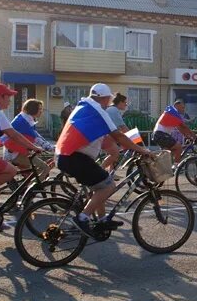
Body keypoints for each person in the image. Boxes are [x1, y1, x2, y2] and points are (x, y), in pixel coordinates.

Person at [55, 83, 151, 237]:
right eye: (109, 99)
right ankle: (82, 217)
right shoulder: (98, 111)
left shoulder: (86, 106)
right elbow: (118, 135)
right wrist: (141, 150)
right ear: (105, 98)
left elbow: (104, 138)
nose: (109, 102)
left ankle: (102, 220)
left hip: (67, 155)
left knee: (100, 186)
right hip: (74, 157)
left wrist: (117, 149)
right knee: (108, 186)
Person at [2, 99, 55, 181]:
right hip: (15, 154)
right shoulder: (24, 121)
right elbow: (36, 138)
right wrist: (51, 148)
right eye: (39, 109)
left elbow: (36, 134)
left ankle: (26, 187)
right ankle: (31, 188)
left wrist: (48, 146)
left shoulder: (25, 118)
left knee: (29, 174)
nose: (41, 111)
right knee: (45, 168)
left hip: (16, 151)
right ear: (33, 109)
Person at [153, 99, 197, 164]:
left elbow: (179, 128)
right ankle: (176, 167)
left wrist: (187, 136)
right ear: (176, 105)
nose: (183, 109)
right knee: (178, 147)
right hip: (161, 134)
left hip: (158, 134)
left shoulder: (171, 112)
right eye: (182, 107)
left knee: (168, 153)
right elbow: (183, 126)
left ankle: (160, 165)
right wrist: (193, 135)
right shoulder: (173, 112)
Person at [100, 92, 130, 171]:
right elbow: (123, 127)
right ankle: (100, 171)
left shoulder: (111, 109)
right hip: (106, 137)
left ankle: (111, 172)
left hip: (106, 136)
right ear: (120, 102)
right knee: (115, 153)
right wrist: (133, 137)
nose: (126, 104)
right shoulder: (114, 110)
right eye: (125, 102)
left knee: (114, 152)